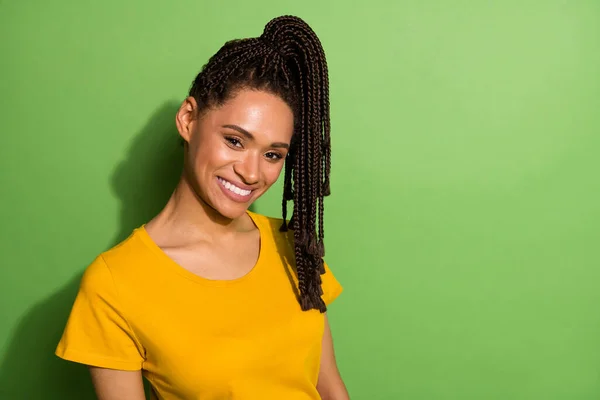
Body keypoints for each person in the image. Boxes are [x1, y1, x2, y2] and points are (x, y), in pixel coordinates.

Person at [55, 15, 349, 400]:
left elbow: (329, 387)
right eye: (235, 141)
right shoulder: (114, 285)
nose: (251, 172)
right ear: (188, 118)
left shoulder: (293, 245)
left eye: (273, 154)